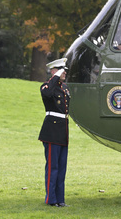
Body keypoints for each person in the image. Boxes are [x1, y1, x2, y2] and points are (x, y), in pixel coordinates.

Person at [38, 58, 71, 207]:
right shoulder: (46, 86)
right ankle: (51, 199)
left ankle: (60, 199)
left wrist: (58, 77)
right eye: (60, 70)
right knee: (53, 167)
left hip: (63, 131)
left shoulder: (64, 88)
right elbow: (47, 94)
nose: (64, 73)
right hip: (51, 131)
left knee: (62, 167)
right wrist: (55, 77)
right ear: (53, 71)